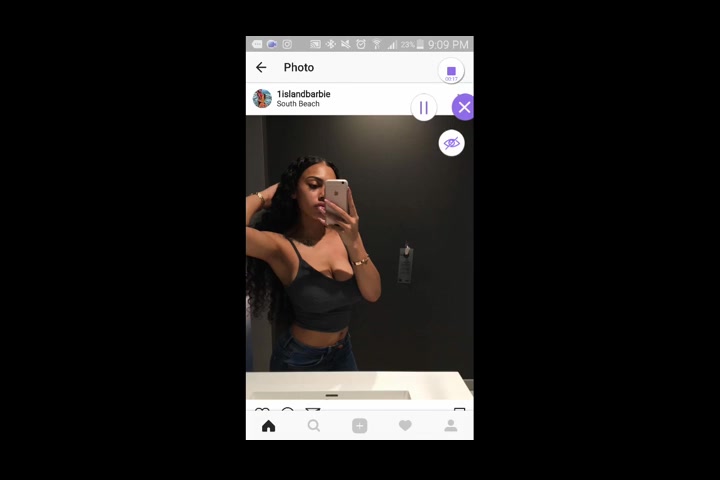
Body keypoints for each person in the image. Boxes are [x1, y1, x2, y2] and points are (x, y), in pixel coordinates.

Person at [246, 155, 381, 371]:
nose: (323, 194)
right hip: (299, 359)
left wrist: (354, 241)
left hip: (343, 352)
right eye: (313, 185)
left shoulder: (345, 234)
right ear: (294, 191)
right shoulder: (281, 246)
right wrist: (264, 196)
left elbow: (373, 293)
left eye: (330, 187)